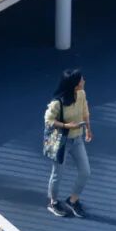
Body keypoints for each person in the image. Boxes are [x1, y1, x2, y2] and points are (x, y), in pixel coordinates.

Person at [45, 68, 92, 217]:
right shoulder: (57, 103)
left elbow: (85, 112)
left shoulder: (81, 94)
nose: (84, 80)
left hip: (77, 139)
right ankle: (53, 203)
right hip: (61, 142)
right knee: (57, 174)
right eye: (81, 79)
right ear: (75, 84)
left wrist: (88, 129)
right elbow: (48, 120)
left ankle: (72, 200)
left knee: (85, 172)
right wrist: (66, 126)